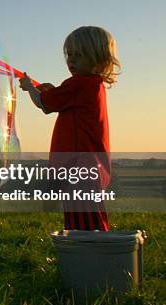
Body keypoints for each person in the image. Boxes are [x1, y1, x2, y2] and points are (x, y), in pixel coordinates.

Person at [19, 26, 120, 231]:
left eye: (79, 55)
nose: (71, 60)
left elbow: (43, 104)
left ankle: (93, 258)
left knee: (84, 227)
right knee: (90, 220)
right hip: (89, 166)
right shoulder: (92, 84)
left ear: (98, 59)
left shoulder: (79, 84)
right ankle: (94, 257)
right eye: (70, 55)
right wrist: (54, 91)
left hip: (79, 167)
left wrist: (29, 87)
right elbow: (67, 103)